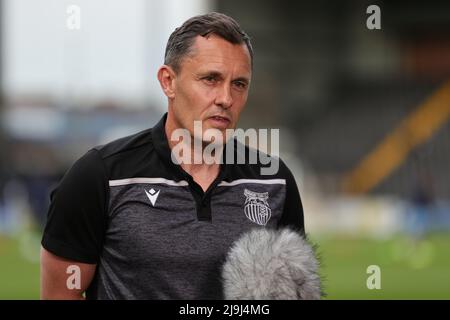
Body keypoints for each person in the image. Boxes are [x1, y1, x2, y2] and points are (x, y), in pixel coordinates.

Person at [40, 12, 305, 300]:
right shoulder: (99, 175)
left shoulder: (275, 181)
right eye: (210, 79)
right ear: (168, 81)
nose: (226, 98)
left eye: (239, 84)